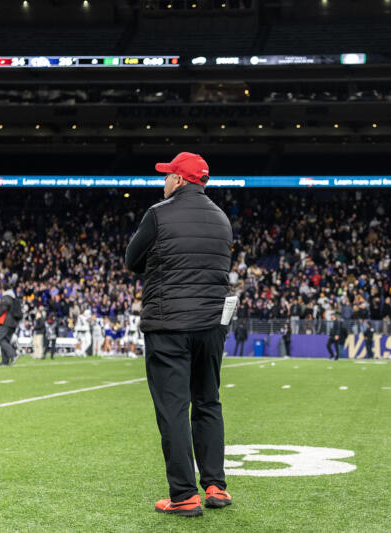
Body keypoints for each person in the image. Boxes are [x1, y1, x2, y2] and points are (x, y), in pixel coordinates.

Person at [125, 152, 233, 516]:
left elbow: (132, 261)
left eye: (168, 175)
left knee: (173, 408)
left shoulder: (158, 213)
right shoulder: (221, 218)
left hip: (168, 324)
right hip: (210, 326)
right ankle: (216, 486)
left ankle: (185, 494)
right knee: (208, 402)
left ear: (181, 181)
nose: (164, 181)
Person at [0, 285, 22, 366]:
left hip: (7, 322)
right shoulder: (14, 297)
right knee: (5, 340)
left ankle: (13, 354)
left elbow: (3, 309)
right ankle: (5, 361)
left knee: (0, 339)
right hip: (14, 323)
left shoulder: (6, 297)